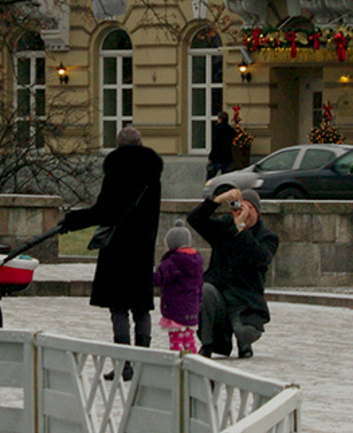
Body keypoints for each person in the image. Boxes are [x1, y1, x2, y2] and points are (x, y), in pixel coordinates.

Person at [60, 125, 163, 380]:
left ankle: (123, 363)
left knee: (118, 307)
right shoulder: (153, 176)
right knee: (141, 307)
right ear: (141, 145)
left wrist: (72, 221)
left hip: (117, 248)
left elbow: (102, 211)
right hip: (142, 249)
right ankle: (143, 363)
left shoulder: (115, 172)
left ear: (118, 146)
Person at [187, 187, 278, 359]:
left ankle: (244, 343)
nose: (244, 212)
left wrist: (241, 229)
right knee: (205, 290)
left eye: (249, 208)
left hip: (246, 299)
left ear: (258, 212)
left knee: (246, 331)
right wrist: (218, 200)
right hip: (220, 294)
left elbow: (260, 258)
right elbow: (195, 219)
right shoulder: (225, 226)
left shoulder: (267, 237)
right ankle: (207, 344)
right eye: (240, 207)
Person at [152, 220, 204, 353]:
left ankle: (175, 361)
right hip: (192, 308)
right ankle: (192, 360)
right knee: (188, 338)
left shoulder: (171, 261)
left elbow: (159, 279)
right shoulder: (196, 261)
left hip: (175, 308)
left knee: (175, 338)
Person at [206, 111, 236, 181]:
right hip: (227, 157)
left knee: (210, 179)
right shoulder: (230, 130)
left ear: (220, 119)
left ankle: (209, 190)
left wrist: (211, 156)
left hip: (216, 157)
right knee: (227, 179)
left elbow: (215, 144)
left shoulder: (217, 129)